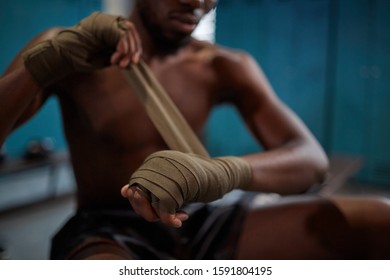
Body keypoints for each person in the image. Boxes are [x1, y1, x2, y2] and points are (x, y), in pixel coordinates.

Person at [1, 0, 390, 259]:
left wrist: (225, 171)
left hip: (201, 218)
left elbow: (311, 160)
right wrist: (42, 67)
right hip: (107, 226)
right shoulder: (62, 48)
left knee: (378, 219)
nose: (199, 1)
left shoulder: (222, 64)